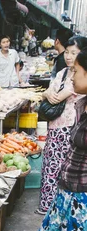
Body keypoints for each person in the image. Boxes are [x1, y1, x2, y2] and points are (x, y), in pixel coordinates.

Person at [27, 48, 87, 231]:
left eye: (78, 71)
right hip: (67, 186)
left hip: (82, 193)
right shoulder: (82, 103)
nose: (72, 75)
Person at [37, 35, 87, 215]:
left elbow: (59, 95)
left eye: (74, 53)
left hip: (72, 128)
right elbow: (49, 92)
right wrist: (47, 94)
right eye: (67, 52)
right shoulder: (62, 73)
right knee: (50, 166)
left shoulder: (81, 77)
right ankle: (46, 207)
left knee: (66, 170)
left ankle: (61, 210)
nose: (68, 56)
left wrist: (53, 94)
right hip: (55, 126)